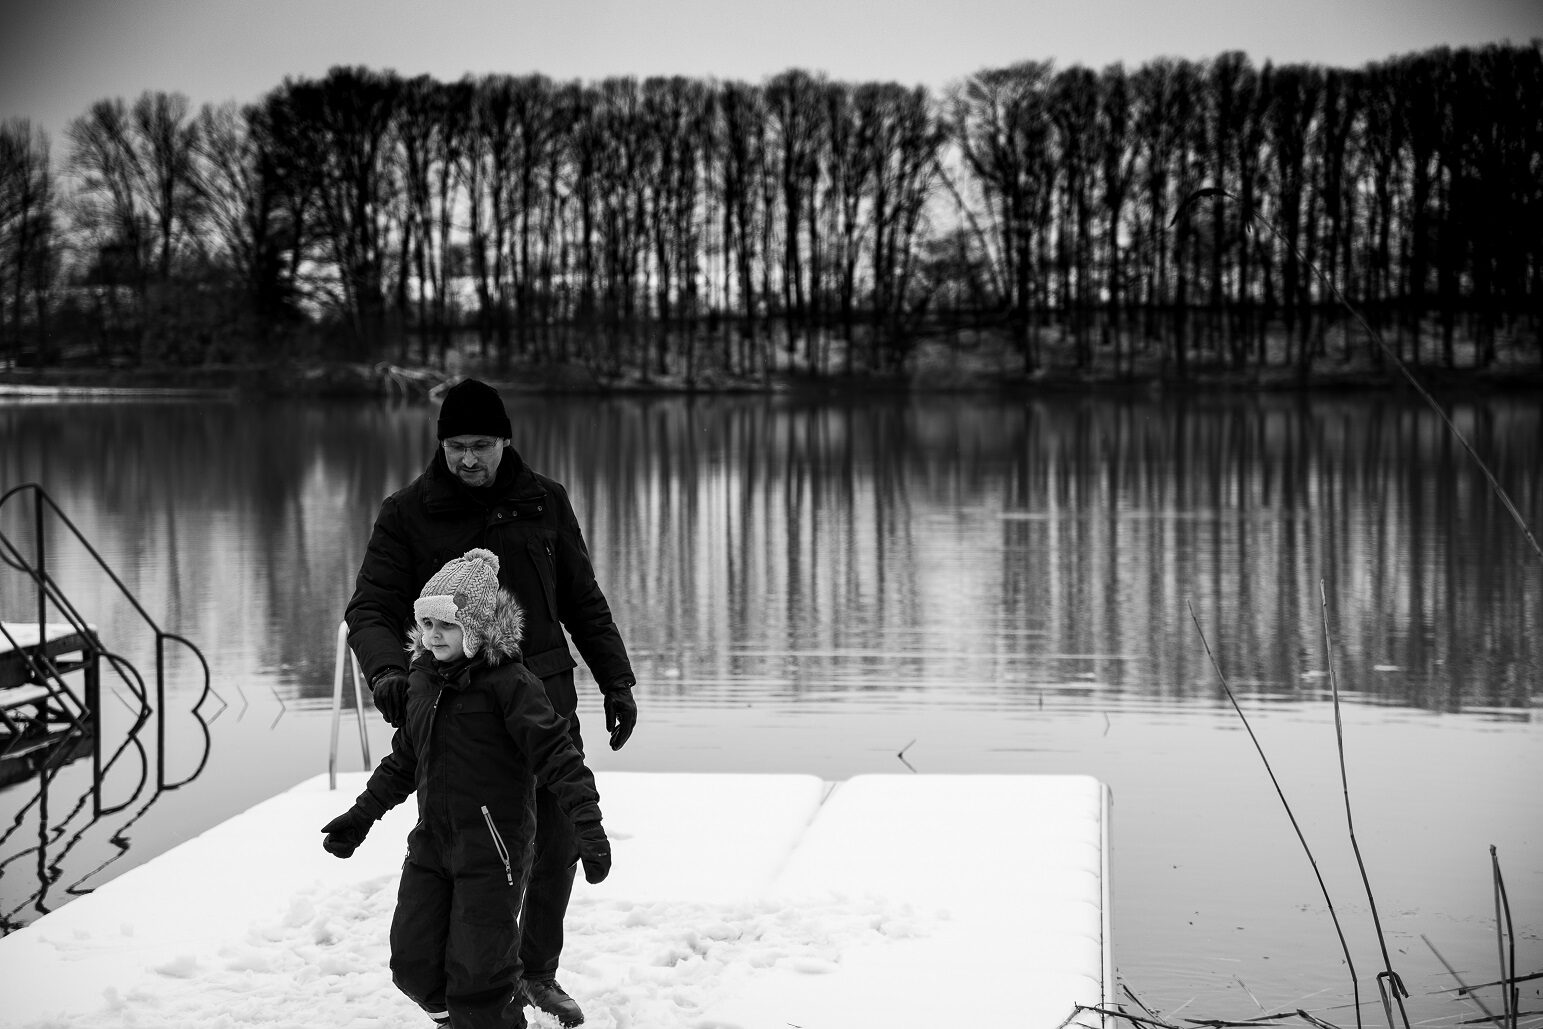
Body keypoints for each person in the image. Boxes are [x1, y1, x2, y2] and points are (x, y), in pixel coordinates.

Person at [344, 378, 638, 1027]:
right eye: (456, 446)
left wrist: (616, 680)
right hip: (461, 716)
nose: (468, 458)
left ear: (505, 441)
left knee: (554, 843)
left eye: (480, 445)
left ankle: (536, 971)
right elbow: (370, 608)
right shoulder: (408, 512)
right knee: (479, 853)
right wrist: (390, 673)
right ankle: (475, 987)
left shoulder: (544, 500)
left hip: (544, 698)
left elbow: (581, 599)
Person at [322, 548, 612, 1029]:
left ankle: (488, 1019)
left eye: (447, 625)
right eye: (426, 623)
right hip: (432, 844)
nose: (433, 635)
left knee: (480, 980)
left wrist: (588, 826)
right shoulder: (422, 680)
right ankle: (455, 1019)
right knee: (411, 965)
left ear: (476, 629)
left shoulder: (511, 684)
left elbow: (559, 757)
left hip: (494, 852)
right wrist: (360, 817)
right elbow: (405, 758)